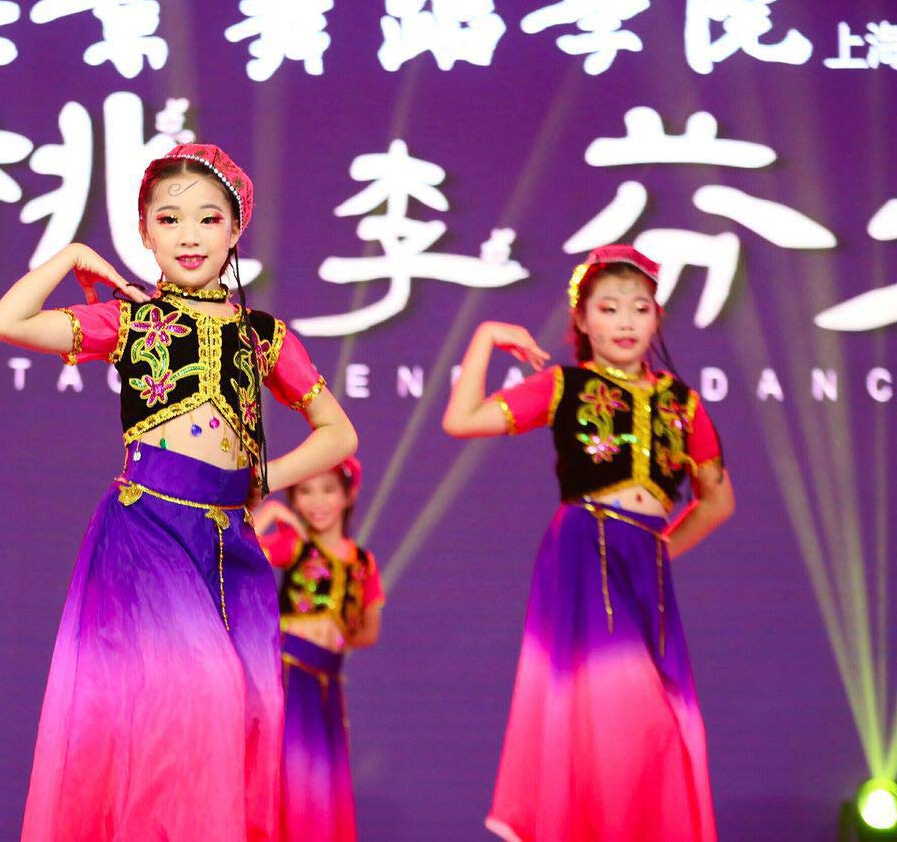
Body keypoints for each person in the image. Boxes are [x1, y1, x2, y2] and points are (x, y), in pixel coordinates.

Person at [0, 142, 357, 841]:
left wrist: (262, 478)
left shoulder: (264, 336)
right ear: (146, 232)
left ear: (235, 230)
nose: (190, 235)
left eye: (209, 218)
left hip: (229, 543)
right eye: (169, 219)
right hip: (147, 528)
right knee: (204, 686)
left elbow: (338, 433)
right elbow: (5, 322)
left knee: (242, 707)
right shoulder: (132, 320)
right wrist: (73, 255)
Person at [441, 244, 736, 842]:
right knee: (622, 710)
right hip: (586, 555)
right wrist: (487, 336)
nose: (626, 321)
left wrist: (660, 549)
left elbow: (717, 501)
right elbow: (462, 419)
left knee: (657, 723)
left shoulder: (681, 403)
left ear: (656, 317)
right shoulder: (565, 386)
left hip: (645, 567)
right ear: (582, 319)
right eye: (609, 308)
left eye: (640, 308)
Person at [253, 457, 384, 842]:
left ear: (349, 495)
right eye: (305, 492)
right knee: (288, 775)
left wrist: (335, 632)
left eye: (328, 490)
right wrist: (268, 513)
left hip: (327, 686)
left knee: (323, 784)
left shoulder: (364, 563)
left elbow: (369, 631)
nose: (317, 501)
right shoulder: (295, 545)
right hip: (289, 676)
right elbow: (235, 551)